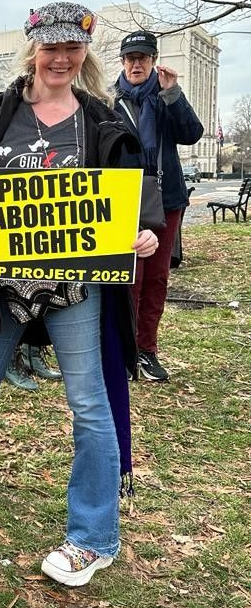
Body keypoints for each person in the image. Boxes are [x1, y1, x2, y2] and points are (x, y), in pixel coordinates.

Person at [0, 2, 159, 587]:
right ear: (33, 51)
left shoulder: (104, 121)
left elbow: (135, 196)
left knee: (89, 406)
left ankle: (93, 537)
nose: (60, 58)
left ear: (84, 53)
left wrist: (145, 233)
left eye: (71, 48)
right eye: (50, 48)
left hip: (74, 288)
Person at [114, 31, 204, 381]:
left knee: (157, 278)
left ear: (153, 60)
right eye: (131, 58)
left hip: (165, 199)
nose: (137, 64)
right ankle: (126, 350)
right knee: (129, 278)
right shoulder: (111, 99)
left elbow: (191, 133)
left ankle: (147, 349)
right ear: (122, 62)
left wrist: (172, 95)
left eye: (143, 57)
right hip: (125, 200)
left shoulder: (165, 96)